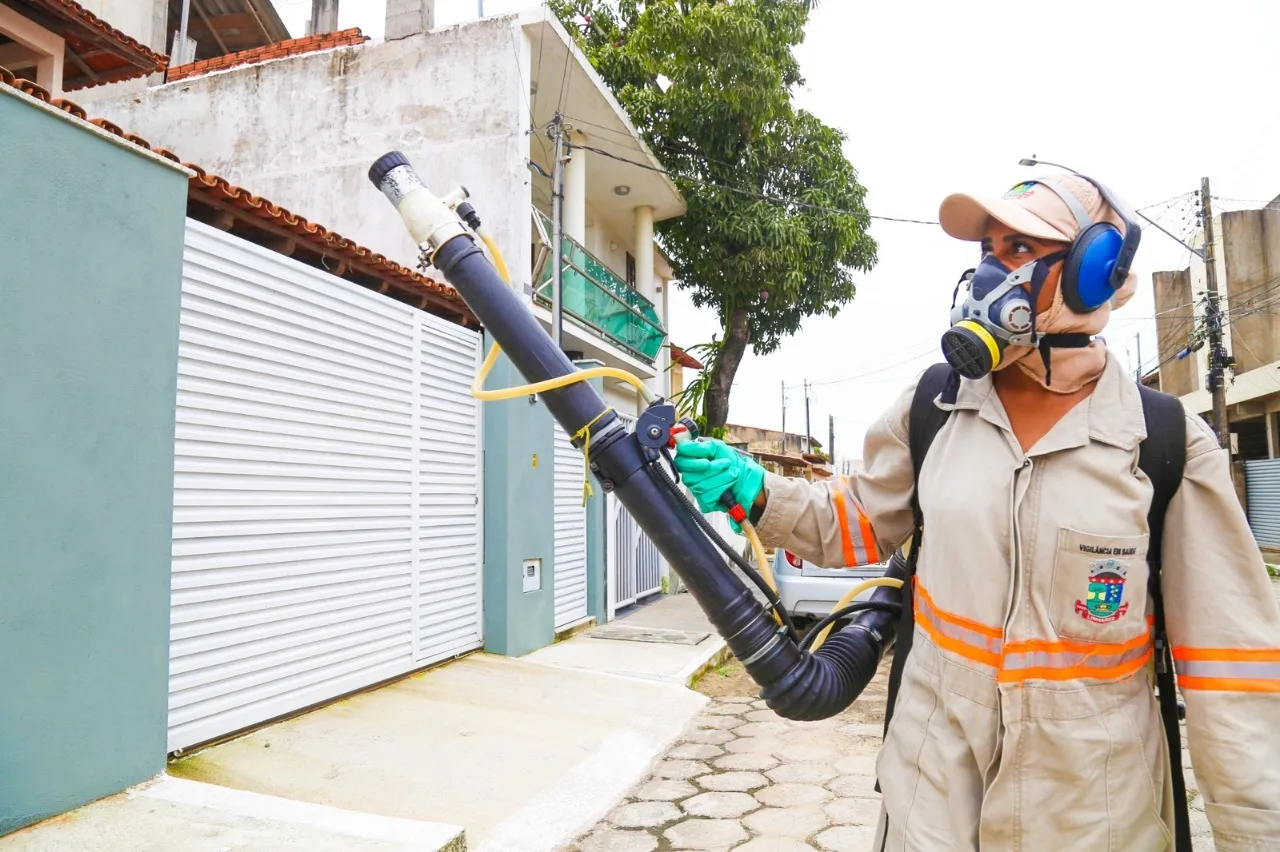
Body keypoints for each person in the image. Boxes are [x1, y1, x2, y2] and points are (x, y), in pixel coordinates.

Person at [673, 173, 1280, 850]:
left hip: (1089, 821)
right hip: (932, 809)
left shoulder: (1163, 442)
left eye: (1019, 246)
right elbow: (858, 522)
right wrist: (758, 492)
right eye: (989, 248)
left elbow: (1234, 675)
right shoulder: (935, 406)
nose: (992, 271)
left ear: (1093, 271)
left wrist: (1252, 833)